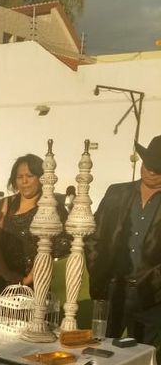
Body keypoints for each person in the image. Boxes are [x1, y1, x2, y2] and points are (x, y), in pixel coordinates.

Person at [86, 135, 161, 345]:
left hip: (152, 296)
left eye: (158, 167)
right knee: (99, 350)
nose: (151, 171)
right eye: (148, 164)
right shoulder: (116, 193)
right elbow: (94, 236)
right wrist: (98, 270)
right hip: (111, 290)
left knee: (143, 354)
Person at [0, 154, 70, 314]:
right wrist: (6, 274)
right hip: (2, 278)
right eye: (19, 177)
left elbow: (51, 249)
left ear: (41, 178)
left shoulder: (51, 207)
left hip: (36, 280)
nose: (24, 181)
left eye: (29, 176)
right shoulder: (6, 203)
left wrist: (27, 280)